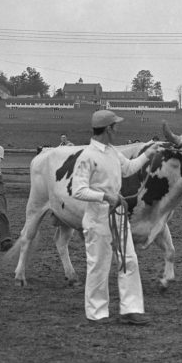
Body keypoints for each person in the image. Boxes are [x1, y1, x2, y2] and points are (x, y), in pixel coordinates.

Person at [71, 110, 163, 325]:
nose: (118, 130)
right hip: (98, 219)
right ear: (109, 129)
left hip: (118, 216)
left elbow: (128, 168)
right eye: (116, 126)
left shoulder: (112, 152)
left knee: (129, 261)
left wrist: (149, 153)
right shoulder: (87, 156)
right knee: (99, 265)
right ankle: (97, 313)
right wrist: (105, 196)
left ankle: (131, 309)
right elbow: (78, 190)